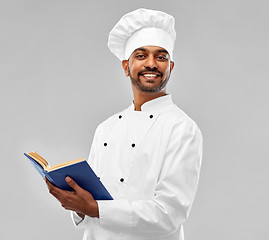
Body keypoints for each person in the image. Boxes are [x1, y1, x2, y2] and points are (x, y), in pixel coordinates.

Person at [45, 8, 203, 240]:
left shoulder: (182, 129)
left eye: (161, 57)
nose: (152, 64)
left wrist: (95, 209)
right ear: (126, 66)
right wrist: (76, 203)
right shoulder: (106, 128)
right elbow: (91, 203)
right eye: (141, 56)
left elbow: (170, 213)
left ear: (170, 67)